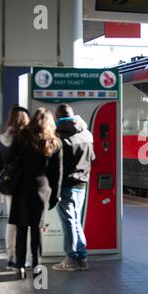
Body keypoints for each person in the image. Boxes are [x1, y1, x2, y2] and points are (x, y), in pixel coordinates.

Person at [9, 108, 63, 279]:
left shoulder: (22, 137)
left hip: (22, 187)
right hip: (42, 189)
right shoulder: (55, 142)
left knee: (21, 228)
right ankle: (37, 265)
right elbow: (57, 173)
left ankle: (20, 266)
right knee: (36, 228)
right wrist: (56, 195)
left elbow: (10, 159)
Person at [52, 104, 95, 272]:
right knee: (75, 221)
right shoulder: (87, 134)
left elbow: (55, 164)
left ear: (57, 117)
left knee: (69, 223)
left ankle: (71, 259)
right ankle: (82, 258)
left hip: (66, 185)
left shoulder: (59, 138)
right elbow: (93, 157)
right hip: (82, 184)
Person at [0, 105, 30, 270]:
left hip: (9, 186)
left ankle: (10, 257)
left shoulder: (3, 137)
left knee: (12, 221)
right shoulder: (28, 138)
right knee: (26, 223)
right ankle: (25, 257)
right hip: (26, 185)